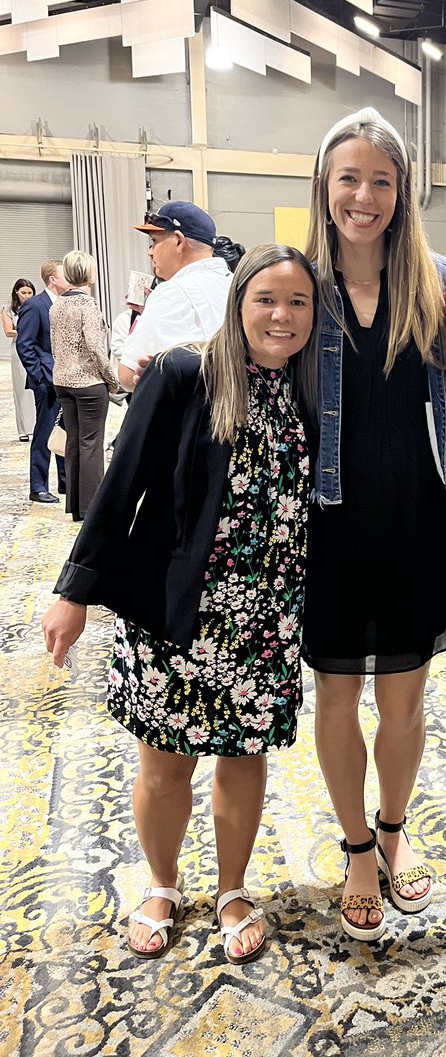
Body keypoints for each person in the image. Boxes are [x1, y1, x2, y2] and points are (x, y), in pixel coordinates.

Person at [41, 244, 317, 964]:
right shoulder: (184, 373)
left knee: (242, 759)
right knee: (165, 764)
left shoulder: (307, 389)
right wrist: (74, 592)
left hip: (265, 620)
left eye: (298, 302)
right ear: (237, 302)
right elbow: (120, 481)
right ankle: (162, 883)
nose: (282, 316)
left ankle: (231, 888)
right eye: (266, 299)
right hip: (177, 611)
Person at [303, 107, 446, 942]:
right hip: (327, 526)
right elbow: (237, 357)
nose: (364, 196)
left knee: (404, 700)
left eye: (382, 180)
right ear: (325, 188)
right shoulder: (299, 283)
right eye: (349, 178)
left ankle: (394, 834)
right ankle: (357, 847)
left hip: (416, 522)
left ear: (402, 192)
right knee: (337, 696)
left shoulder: (437, 281)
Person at [118, 201, 231, 390]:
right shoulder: (236, 284)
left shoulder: (172, 293)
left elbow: (127, 375)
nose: (150, 252)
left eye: (154, 242)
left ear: (178, 241)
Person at [50, 250, 119, 521]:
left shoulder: (57, 305)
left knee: (74, 443)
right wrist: (111, 379)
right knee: (91, 444)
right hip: (88, 383)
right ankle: (92, 510)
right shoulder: (87, 306)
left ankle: (77, 506)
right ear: (90, 274)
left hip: (63, 381)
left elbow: (56, 345)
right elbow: (95, 347)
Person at [16, 260, 69, 504]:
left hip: (69, 379)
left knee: (65, 431)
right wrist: (38, 377)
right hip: (46, 381)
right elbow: (24, 344)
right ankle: (38, 487)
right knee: (44, 433)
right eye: (64, 275)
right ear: (52, 279)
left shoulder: (67, 304)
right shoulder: (35, 306)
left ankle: (65, 481)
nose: (69, 278)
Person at [2, 277, 36, 441]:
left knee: (37, 386)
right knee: (21, 388)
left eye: (30, 292)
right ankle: (23, 429)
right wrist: (28, 331)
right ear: (16, 292)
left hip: (36, 347)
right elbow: (9, 331)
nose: (27, 296)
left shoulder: (36, 306)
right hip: (19, 347)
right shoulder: (8, 310)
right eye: (23, 292)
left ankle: (37, 424)